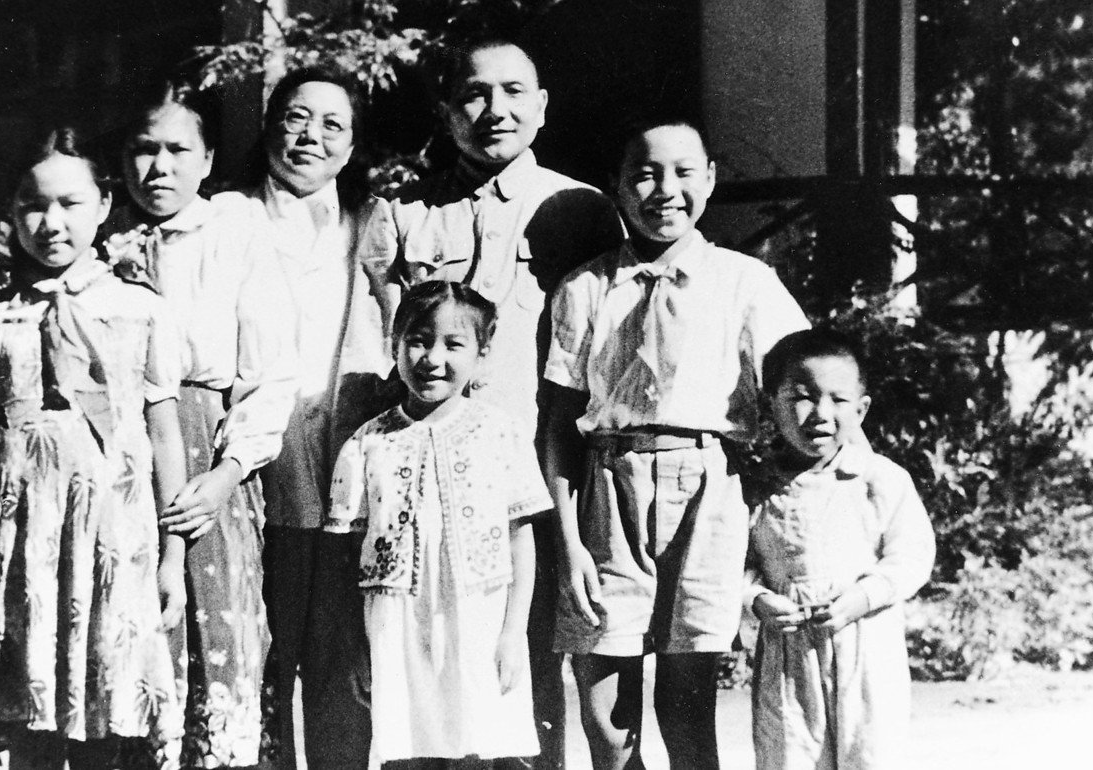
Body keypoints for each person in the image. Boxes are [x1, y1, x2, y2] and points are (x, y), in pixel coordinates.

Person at [374, 39, 623, 769]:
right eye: (475, 95)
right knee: (435, 670)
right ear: (447, 111)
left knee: (535, 671)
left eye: (515, 92)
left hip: (538, 480)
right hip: (434, 485)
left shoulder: (579, 208)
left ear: (542, 107)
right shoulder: (405, 215)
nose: (495, 111)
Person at [542, 117, 808, 770]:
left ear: (710, 180)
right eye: (645, 172)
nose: (665, 190)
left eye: (684, 172)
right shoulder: (583, 289)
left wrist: (778, 503)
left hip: (708, 486)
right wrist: (570, 541)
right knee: (605, 690)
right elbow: (557, 423)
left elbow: (801, 389)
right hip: (610, 483)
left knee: (688, 692)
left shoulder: (745, 283)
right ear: (617, 186)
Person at [0, 127, 186, 769]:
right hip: (21, 554)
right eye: (33, 203)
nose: (51, 222)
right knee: (31, 736)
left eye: (71, 203)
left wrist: (173, 555)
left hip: (116, 549)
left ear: (105, 205)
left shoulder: (140, 310)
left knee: (117, 731)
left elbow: (164, 437)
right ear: (11, 212)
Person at [107, 81, 297, 770]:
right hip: (117, 456)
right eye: (141, 150)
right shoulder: (98, 237)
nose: (157, 168)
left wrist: (226, 474)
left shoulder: (236, 232)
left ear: (208, 158)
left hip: (204, 446)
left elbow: (271, 370)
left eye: (176, 150)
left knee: (215, 625)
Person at [214, 65, 395, 770]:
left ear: (351, 147)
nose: (310, 136)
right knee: (264, 645)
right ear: (268, 127)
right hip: (255, 454)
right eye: (295, 116)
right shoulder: (228, 218)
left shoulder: (373, 226)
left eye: (331, 124)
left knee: (342, 655)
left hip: (348, 453)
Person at [325, 281, 552, 767]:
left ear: (482, 355)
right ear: (394, 345)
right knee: (410, 746)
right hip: (396, 620)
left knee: (477, 743)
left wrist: (514, 633)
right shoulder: (367, 443)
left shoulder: (500, 432)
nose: (432, 357)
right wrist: (354, 645)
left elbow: (520, 540)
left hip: (478, 616)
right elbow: (345, 554)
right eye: (418, 340)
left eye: (453, 344)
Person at [746, 328, 935, 769]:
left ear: (862, 409)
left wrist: (862, 598)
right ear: (771, 402)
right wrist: (758, 600)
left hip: (866, 644)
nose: (820, 413)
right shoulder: (758, 489)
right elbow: (740, 565)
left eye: (839, 399)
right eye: (801, 396)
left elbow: (911, 555)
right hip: (788, 654)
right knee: (789, 753)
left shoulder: (879, 479)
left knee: (869, 752)